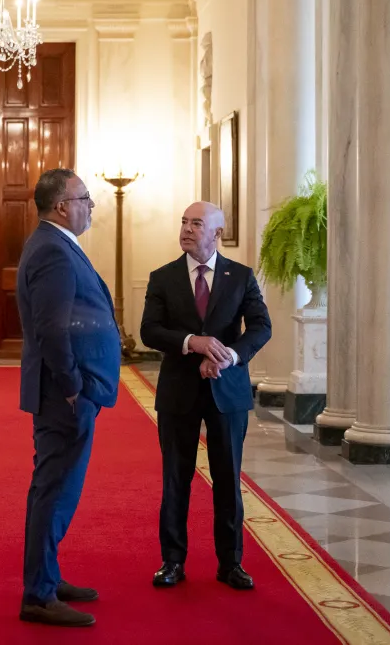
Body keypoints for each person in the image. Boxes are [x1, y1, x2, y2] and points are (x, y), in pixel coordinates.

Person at [140, 202, 271, 591]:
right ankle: (173, 561)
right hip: (178, 390)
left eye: (196, 223)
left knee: (228, 479)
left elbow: (261, 326)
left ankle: (230, 563)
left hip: (226, 392)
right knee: (175, 479)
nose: (186, 229)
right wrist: (191, 343)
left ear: (216, 233)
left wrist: (229, 356)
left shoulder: (240, 276)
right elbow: (149, 331)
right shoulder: (162, 277)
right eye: (183, 222)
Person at [16, 169, 121, 628]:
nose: (91, 206)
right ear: (62, 206)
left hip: (68, 392)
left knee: (57, 490)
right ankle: (38, 595)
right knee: (54, 491)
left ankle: (48, 577)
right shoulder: (53, 252)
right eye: (84, 198)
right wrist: (74, 385)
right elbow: (52, 327)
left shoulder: (54, 245)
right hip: (65, 396)